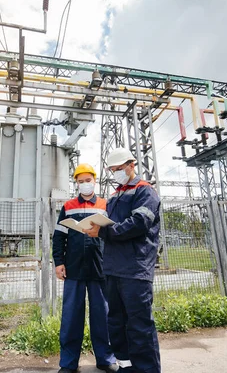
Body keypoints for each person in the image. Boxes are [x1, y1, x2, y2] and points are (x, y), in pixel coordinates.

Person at [83, 148, 161, 373]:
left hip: (135, 268)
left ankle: (147, 370)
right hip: (113, 267)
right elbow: (111, 224)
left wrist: (104, 232)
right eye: (112, 170)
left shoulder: (144, 191)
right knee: (116, 322)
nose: (116, 173)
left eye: (118, 169)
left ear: (131, 165)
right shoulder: (116, 195)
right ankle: (125, 366)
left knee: (139, 324)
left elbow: (138, 223)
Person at [52, 163, 118, 373]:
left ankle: (106, 359)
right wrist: (59, 262)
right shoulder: (68, 206)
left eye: (88, 180)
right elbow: (59, 236)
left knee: (103, 315)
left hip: (100, 268)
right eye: (80, 181)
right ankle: (68, 363)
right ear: (76, 183)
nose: (84, 185)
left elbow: (113, 235)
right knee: (71, 317)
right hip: (74, 268)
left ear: (94, 181)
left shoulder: (105, 204)